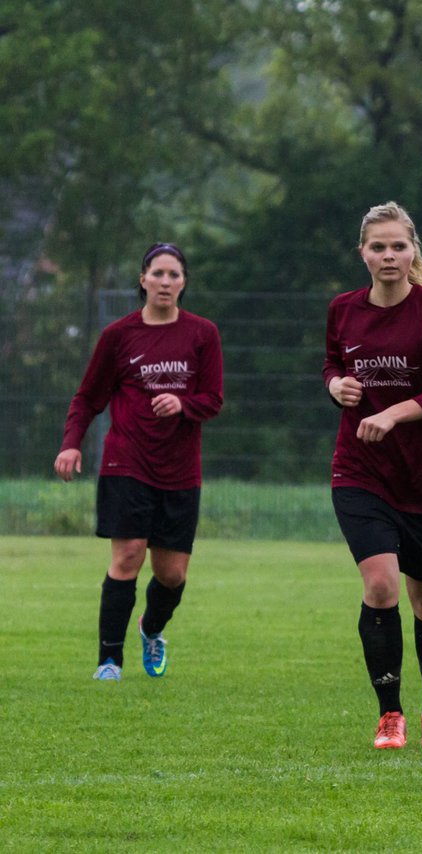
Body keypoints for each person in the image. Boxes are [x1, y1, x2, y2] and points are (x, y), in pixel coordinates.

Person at [324, 202, 422, 749]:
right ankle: (390, 714)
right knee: (381, 585)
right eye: (378, 247)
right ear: (362, 253)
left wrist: (392, 412)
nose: (389, 256)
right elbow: (331, 363)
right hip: (360, 472)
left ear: (414, 253)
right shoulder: (343, 310)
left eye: (398, 246)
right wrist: (335, 385)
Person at [55, 243, 224, 682]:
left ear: (183, 282)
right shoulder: (118, 336)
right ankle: (109, 660)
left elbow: (213, 399)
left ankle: (151, 629)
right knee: (127, 556)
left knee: (171, 574)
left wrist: (183, 404)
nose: (166, 282)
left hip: (180, 470)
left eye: (174, 275)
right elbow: (88, 397)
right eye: (158, 274)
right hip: (126, 462)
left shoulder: (203, 334)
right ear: (143, 279)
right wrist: (71, 444)